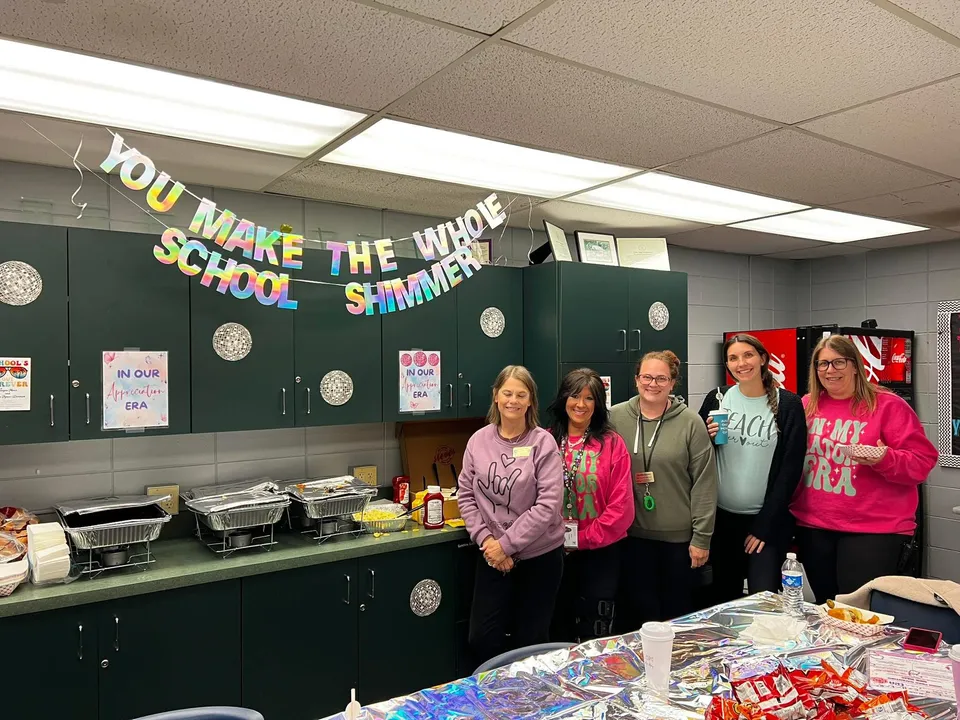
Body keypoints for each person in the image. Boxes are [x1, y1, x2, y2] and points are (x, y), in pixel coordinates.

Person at [791, 335, 938, 604]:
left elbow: (922, 463)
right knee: (827, 608)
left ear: (855, 365)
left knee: (862, 614)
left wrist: (884, 459)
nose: (830, 370)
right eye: (822, 364)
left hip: (874, 530)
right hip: (814, 525)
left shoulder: (888, 405)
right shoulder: (807, 404)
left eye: (838, 362)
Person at [457, 365, 565, 665]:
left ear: (531, 401)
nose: (513, 400)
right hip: (491, 555)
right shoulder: (478, 440)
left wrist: (506, 545)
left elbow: (548, 505)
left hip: (539, 558)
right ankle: (495, 701)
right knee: (482, 637)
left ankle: (527, 705)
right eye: (507, 393)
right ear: (495, 396)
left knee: (529, 643)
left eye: (521, 394)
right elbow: (465, 495)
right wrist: (488, 541)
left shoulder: (543, 443)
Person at [610, 350, 718, 626]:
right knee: (636, 617)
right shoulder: (615, 418)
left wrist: (701, 538)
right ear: (636, 380)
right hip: (630, 537)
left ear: (672, 383)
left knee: (675, 619)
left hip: (678, 542)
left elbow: (704, 482)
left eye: (661, 378)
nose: (653, 384)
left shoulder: (690, 423)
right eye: (647, 377)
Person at [697, 334, 806, 604]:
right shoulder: (717, 398)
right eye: (733, 358)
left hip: (766, 522)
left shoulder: (788, 404)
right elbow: (695, 454)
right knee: (723, 600)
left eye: (748, 355)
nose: (741, 363)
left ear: (763, 359)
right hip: (722, 521)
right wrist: (707, 438)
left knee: (763, 600)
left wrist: (764, 526)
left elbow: (791, 469)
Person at [546, 368, 634, 642]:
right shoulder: (546, 439)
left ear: (598, 404)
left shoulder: (611, 444)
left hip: (601, 553)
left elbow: (622, 508)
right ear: (563, 399)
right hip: (553, 550)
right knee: (557, 624)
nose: (580, 404)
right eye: (574, 396)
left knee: (595, 627)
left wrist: (583, 539)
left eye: (589, 398)